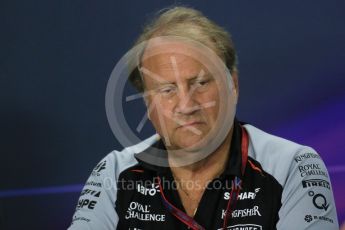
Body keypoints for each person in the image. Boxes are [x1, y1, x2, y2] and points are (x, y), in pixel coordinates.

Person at [68, 6, 339, 230]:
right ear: (148, 103)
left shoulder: (294, 166)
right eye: (167, 89)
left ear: (232, 85)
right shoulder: (114, 172)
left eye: (200, 83)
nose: (186, 105)